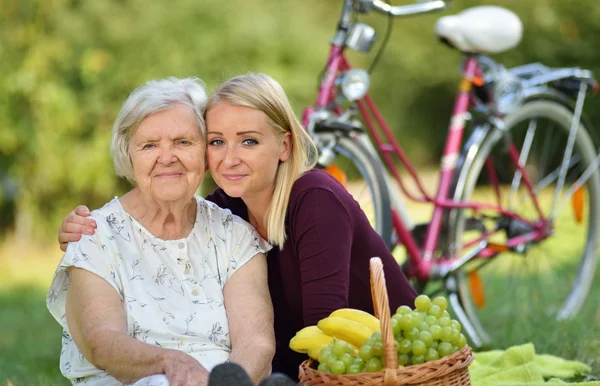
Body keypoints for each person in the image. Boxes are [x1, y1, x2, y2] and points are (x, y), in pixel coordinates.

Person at [57, 73, 418, 380]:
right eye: (217, 142)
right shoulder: (224, 210)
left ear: (284, 145)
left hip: (383, 364)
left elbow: (323, 335)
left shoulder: (311, 200)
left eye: (249, 140)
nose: (229, 158)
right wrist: (79, 230)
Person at [47, 77, 276, 386]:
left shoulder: (235, 235)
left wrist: (229, 382)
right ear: (128, 154)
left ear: (205, 154)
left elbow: (256, 344)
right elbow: (102, 342)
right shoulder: (95, 235)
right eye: (149, 145)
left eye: (183, 142)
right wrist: (172, 363)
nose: (167, 157)